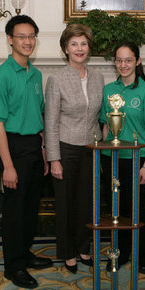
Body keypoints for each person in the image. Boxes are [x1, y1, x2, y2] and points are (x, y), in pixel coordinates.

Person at [0, 15, 53, 289]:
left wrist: (43, 149)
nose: (27, 42)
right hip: (11, 145)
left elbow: (39, 114)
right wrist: (8, 165)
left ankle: (24, 253)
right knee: (14, 211)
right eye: (21, 37)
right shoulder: (1, 76)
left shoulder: (35, 74)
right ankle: (13, 266)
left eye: (31, 37)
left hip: (32, 146)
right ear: (9, 39)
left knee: (30, 207)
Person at [45, 24, 104, 273]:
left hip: (91, 148)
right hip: (66, 149)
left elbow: (99, 117)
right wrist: (54, 159)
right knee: (66, 203)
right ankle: (67, 251)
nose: (79, 48)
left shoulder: (98, 77)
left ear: (89, 48)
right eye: (74, 44)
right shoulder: (56, 79)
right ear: (65, 49)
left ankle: (83, 247)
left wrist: (101, 151)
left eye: (83, 43)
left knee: (87, 203)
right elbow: (50, 122)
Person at [100, 42, 145, 274]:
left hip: (136, 159)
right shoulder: (108, 91)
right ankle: (121, 252)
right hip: (110, 158)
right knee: (116, 210)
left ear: (137, 61)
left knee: (137, 209)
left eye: (128, 60)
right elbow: (105, 127)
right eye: (119, 60)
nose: (123, 65)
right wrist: (102, 157)